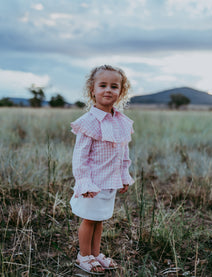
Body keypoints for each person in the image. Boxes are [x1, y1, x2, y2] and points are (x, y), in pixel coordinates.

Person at [70, 65, 134, 275]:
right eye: (103, 85)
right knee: (89, 220)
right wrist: (84, 183)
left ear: (121, 92)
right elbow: (80, 158)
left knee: (99, 219)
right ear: (92, 90)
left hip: (110, 181)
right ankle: (84, 256)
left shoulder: (121, 122)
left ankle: (96, 254)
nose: (108, 90)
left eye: (114, 86)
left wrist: (124, 176)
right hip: (93, 183)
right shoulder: (88, 123)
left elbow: (123, 153)